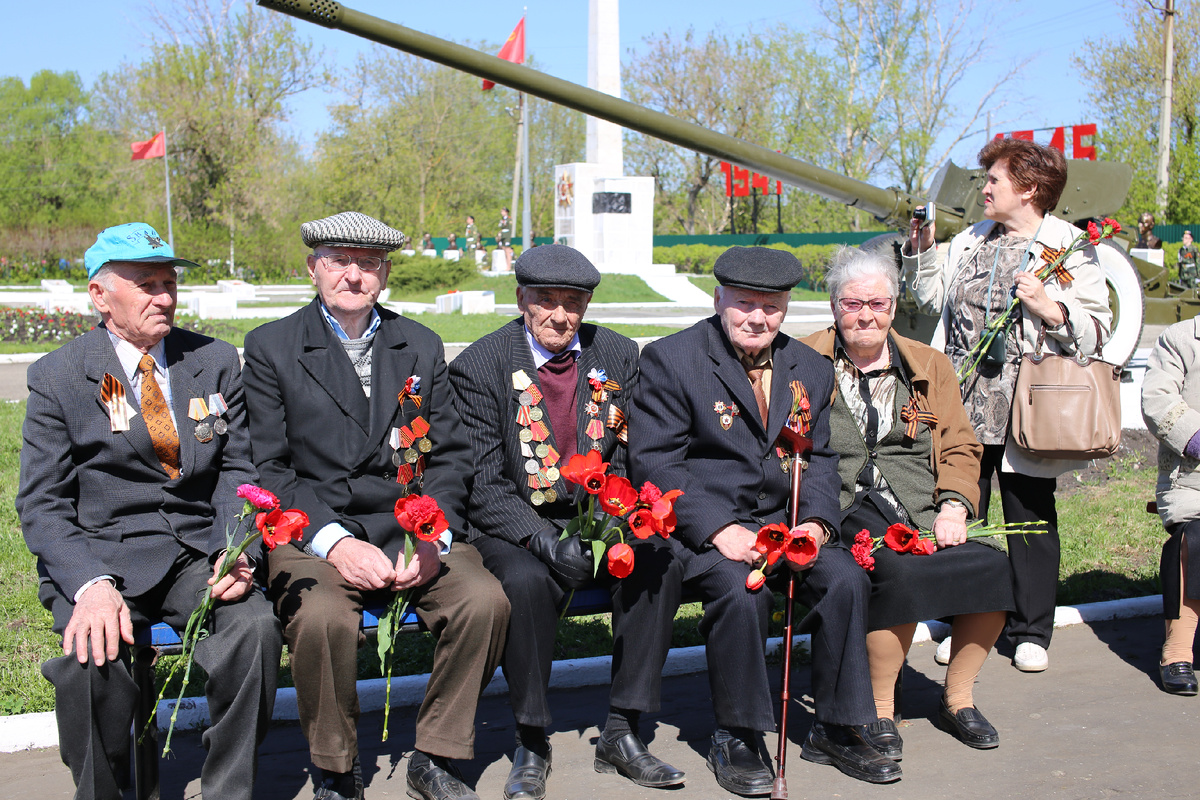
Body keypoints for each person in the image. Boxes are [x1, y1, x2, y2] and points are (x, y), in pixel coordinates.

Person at [241, 212, 510, 800]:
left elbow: (450, 457)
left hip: (412, 526)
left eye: (367, 264)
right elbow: (271, 470)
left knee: (484, 600)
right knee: (321, 618)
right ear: (314, 267)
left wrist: (435, 540)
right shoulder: (272, 347)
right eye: (338, 261)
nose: (353, 276)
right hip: (315, 529)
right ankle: (335, 768)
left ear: (384, 273)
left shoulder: (418, 343)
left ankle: (435, 756)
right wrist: (336, 542)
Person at [16, 222, 282, 800]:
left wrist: (233, 551)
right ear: (100, 295)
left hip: (196, 551)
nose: (164, 296)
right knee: (91, 665)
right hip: (101, 556)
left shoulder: (211, 361)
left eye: (169, 282)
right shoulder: (60, 376)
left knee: (254, 630)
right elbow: (41, 502)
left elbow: (238, 472)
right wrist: (89, 585)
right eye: (145, 284)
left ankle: (229, 790)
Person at [631, 246, 901, 796]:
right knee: (741, 590)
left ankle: (837, 726)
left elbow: (820, 458)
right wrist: (718, 530)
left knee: (845, 578)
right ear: (718, 299)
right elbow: (655, 463)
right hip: (705, 530)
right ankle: (738, 733)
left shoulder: (809, 368)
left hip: (785, 522)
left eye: (772, 307)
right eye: (745, 304)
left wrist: (820, 524)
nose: (758, 318)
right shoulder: (671, 359)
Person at [449, 244, 683, 800]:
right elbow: (482, 481)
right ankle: (532, 738)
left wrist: (615, 522)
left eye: (573, 302)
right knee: (527, 582)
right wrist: (545, 541)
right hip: (515, 522)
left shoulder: (621, 356)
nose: (560, 316)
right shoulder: (480, 365)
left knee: (658, 562)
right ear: (521, 299)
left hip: (602, 513)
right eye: (546, 301)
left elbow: (629, 455)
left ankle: (623, 730)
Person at [902, 137, 1112, 673]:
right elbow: (927, 300)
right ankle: (964, 617)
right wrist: (922, 250)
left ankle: (1030, 628)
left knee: (1029, 514)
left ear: (1030, 188)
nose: (985, 187)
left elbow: (1097, 329)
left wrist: (1051, 307)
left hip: (1029, 402)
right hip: (964, 396)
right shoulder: (971, 239)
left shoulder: (1069, 246)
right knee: (960, 506)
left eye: (994, 178)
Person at [802, 246, 1015, 758]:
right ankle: (878, 707)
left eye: (877, 304)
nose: (866, 316)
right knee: (896, 572)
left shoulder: (928, 364)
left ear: (894, 307)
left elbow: (961, 444)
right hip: (841, 506)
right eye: (853, 304)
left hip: (918, 507)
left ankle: (958, 698)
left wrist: (955, 505)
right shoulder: (803, 359)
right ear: (834, 307)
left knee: (993, 569)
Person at [1141, 318, 1200, 696]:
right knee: (1195, 539)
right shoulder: (1180, 338)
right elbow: (1157, 400)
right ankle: (1177, 650)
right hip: (1194, 484)